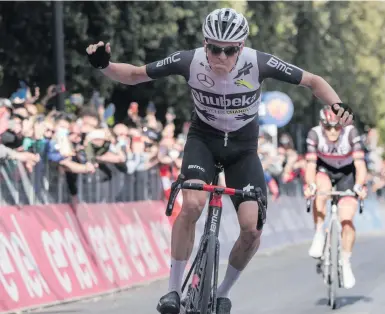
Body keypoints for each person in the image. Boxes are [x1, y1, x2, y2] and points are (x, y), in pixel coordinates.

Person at [86, 8, 353, 314]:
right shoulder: (189, 60)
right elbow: (134, 75)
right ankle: (173, 291)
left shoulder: (259, 62)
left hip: (243, 148)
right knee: (193, 205)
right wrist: (104, 65)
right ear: (204, 44)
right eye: (214, 48)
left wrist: (338, 106)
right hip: (204, 142)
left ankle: (223, 292)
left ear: (241, 48)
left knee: (252, 228)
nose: (220, 57)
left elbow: (314, 81)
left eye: (229, 51)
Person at [303, 106, 367, 289]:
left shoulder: (351, 133)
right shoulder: (314, 134)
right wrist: (310, 185)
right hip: (324, 170)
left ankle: (345, 262)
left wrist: (360, 185)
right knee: (321, 190)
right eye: (328, 127)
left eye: (336, 127)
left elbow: (360, 166)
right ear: (322, 124)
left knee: (346, 219)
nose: (332, 131)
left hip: (347, 174)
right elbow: (310, 166)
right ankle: (318, 234)